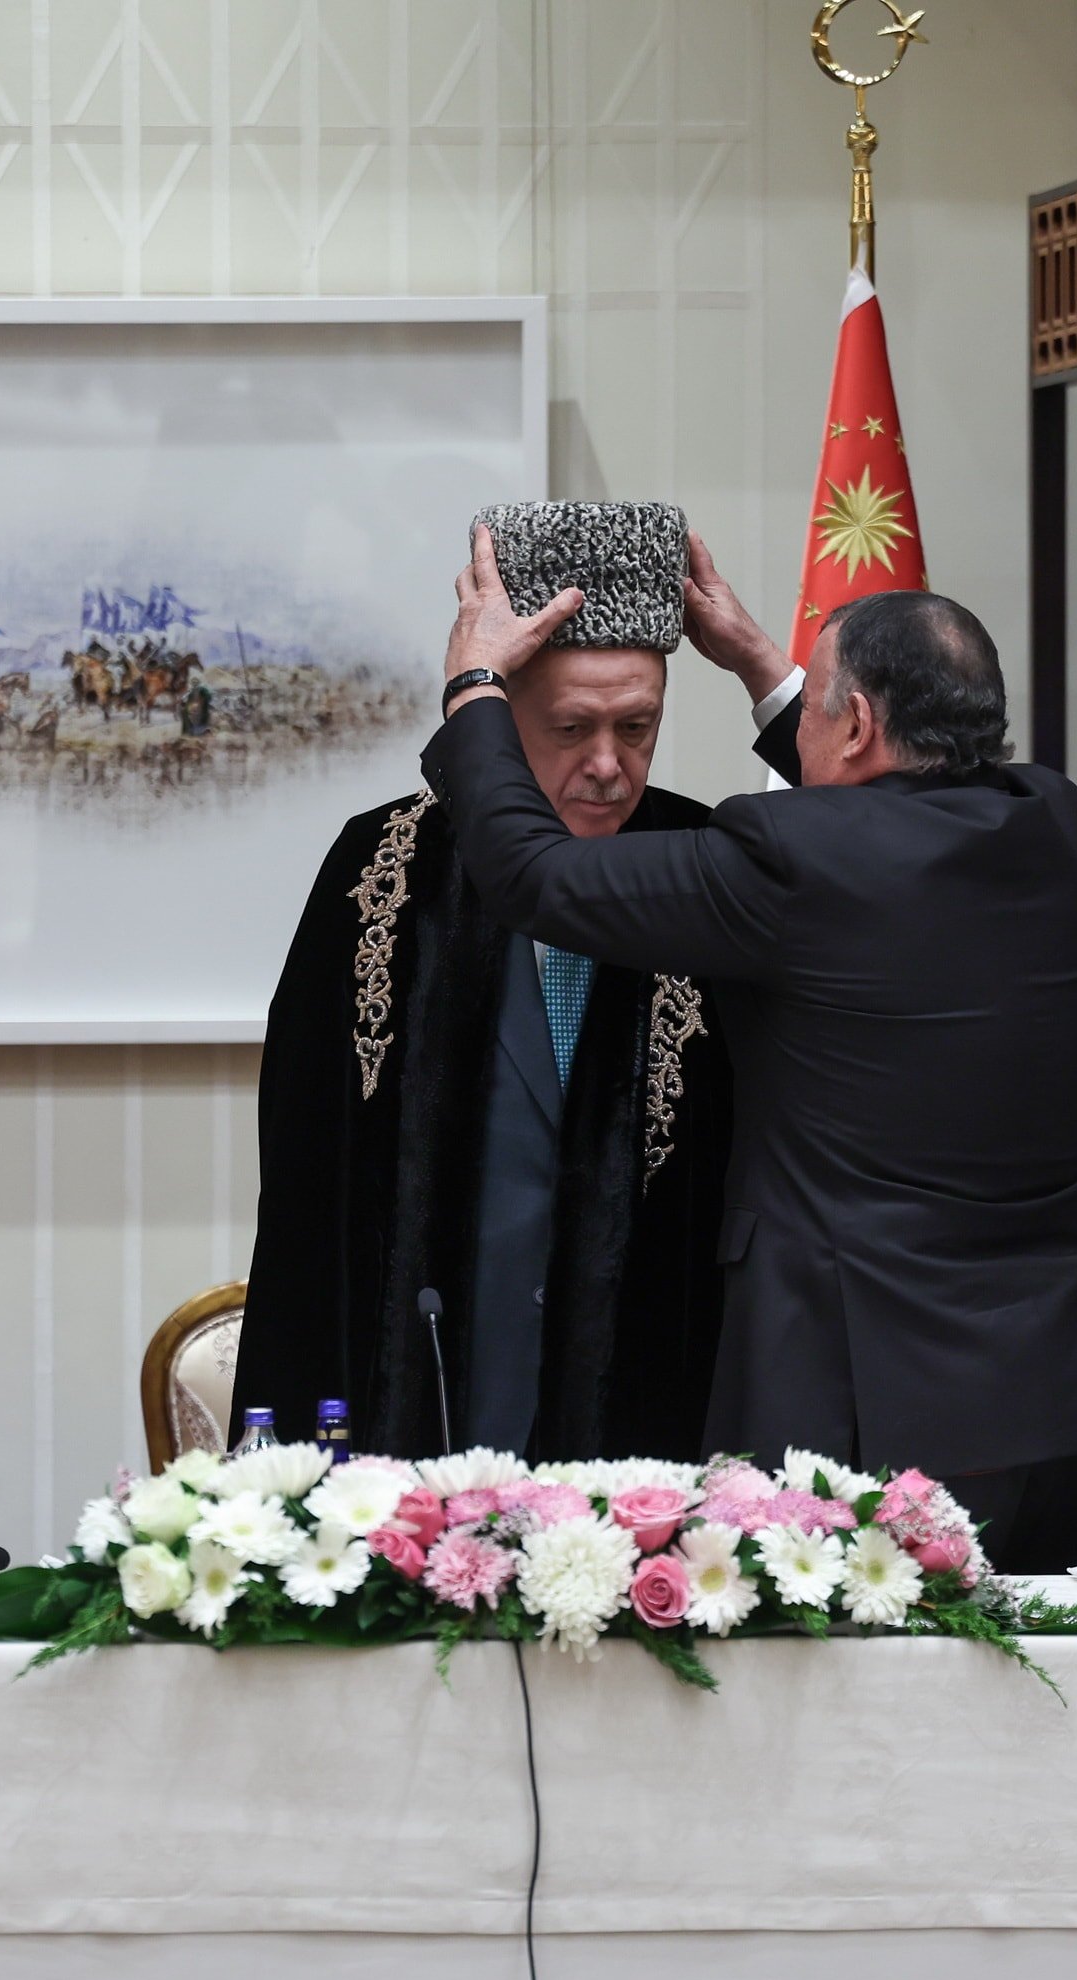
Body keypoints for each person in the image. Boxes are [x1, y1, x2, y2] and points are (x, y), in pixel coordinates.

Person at [421, 525, 1077, 1573]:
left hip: (873, 1418)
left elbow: (534, 877)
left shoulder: (786, 862)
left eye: (815, 705)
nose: (800, 716)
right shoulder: (1058, 824)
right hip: (1073, 1400)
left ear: (854, 724)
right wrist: (760, 664)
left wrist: (477, 687)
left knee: (852, 1683)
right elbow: (876, 813)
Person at [235, 508, 730, 1462]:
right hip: (427, 1407)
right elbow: (306, 1191)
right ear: (496, 720)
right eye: (571, 729)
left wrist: (758, 668)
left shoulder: (706, 863)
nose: (608, 766)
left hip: (649, 1423)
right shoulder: (381, 872)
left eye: (637, 728)